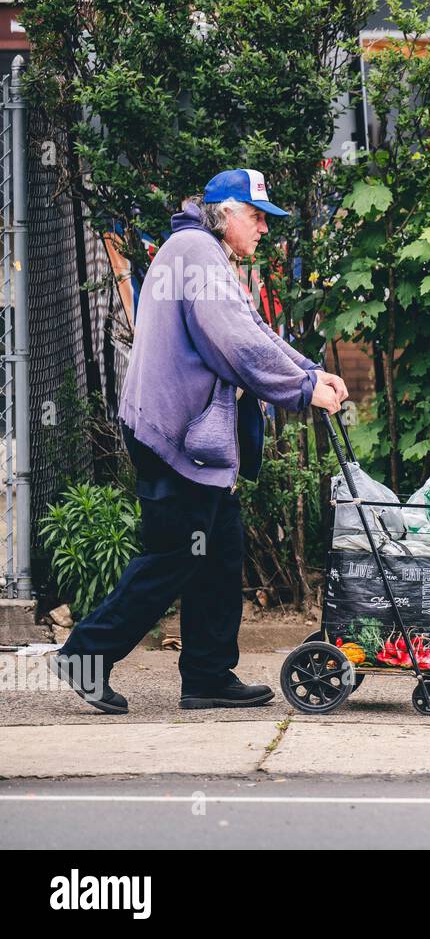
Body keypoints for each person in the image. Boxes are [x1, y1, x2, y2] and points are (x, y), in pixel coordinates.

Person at [52, 168, 349, 713]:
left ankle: (208, 676)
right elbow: (235, 345)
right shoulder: (194, 249)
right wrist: (304, 390)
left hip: (196, 442)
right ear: (227, 212)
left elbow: (253, 328)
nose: (265, 229)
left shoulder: (202, 252)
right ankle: (85, 654)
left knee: (218, 550)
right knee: (174, 555)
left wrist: (311, 371)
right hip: (174, 439)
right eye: (257, 217)